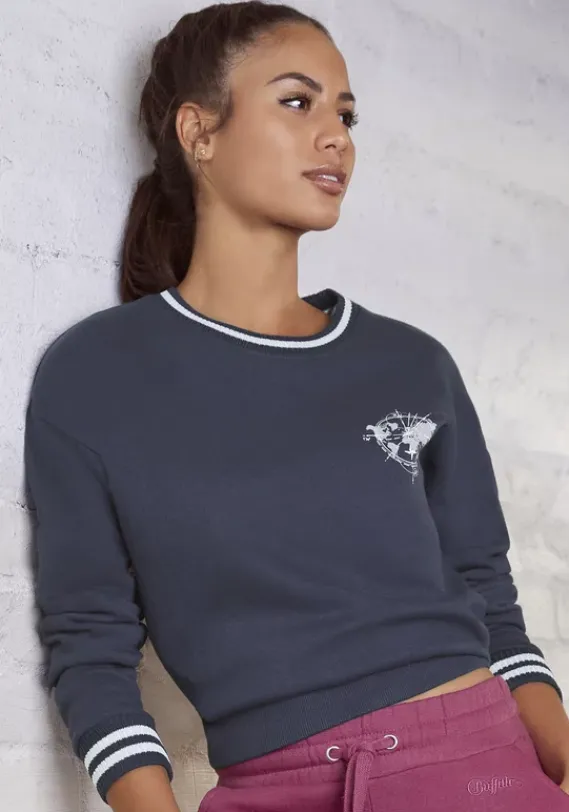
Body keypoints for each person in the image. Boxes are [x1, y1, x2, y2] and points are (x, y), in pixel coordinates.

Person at [24, 3, 569, 811]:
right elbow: (88, 644)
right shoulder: (96, 375)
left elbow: (489, 597)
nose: (335, 136)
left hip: (476, 772)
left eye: (345, 115)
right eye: (296, 101)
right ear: (198, 132)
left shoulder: (409, 364)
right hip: (266, 788)